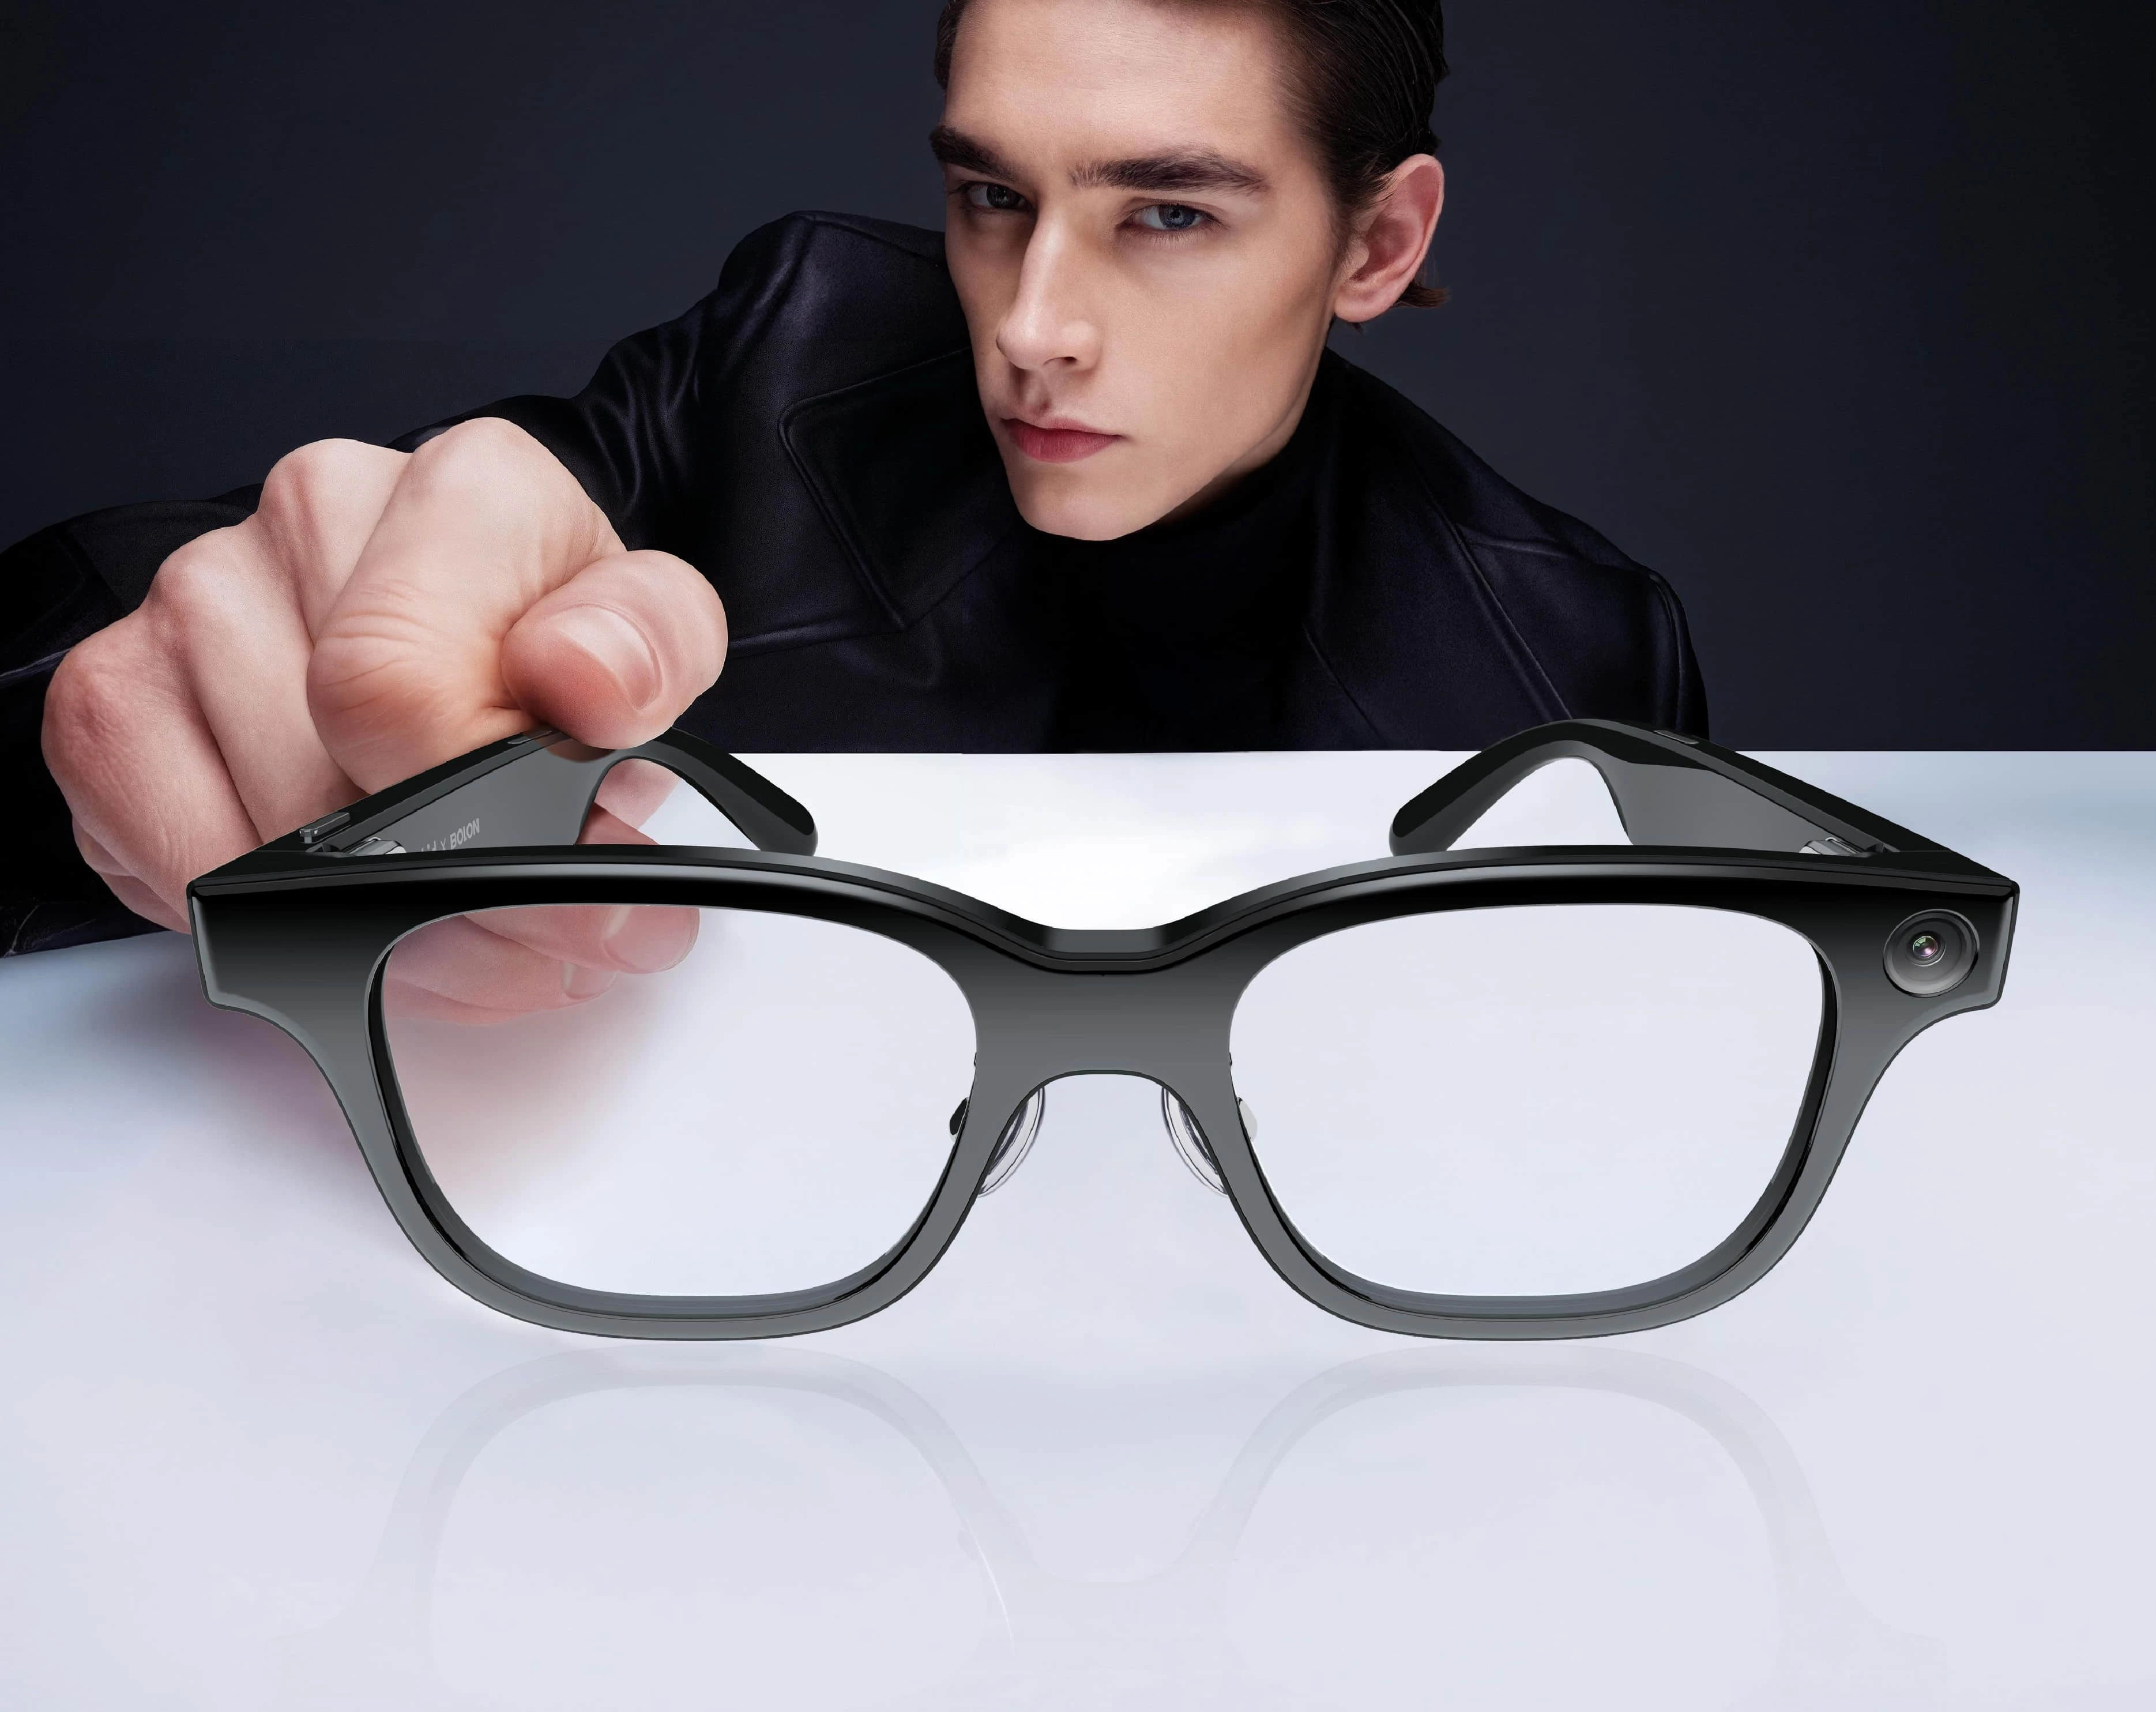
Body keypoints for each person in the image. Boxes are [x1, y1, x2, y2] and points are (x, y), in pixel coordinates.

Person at [2, 0, 1704, 1006]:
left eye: (1169, 214)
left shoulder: (1571, 651)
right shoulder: (797, 354)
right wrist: (140, 698)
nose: (1032, 327)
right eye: (993, 196)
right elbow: (422, 549)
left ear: (1377, 244)